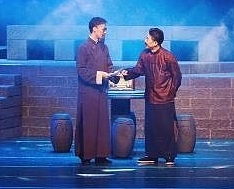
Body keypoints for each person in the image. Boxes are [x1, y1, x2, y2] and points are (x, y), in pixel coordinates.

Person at [120, 27, 182, 166]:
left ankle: (169, 156)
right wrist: (127, 73)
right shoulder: (144, 54)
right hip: (150, 97)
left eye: (147, 38)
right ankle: (152, 155)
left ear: (155, 42)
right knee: (151, 127)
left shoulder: (168, 56)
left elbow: (177, 77)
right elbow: (138, 70)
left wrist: (170, 92)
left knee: (166, 128)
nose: (145, 40)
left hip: (165, 98)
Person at [75, 16, 120, 165]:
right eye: (103, 29)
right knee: (89, 123)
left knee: (102, 124)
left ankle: (101, 155)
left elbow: (109, 65)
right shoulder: (83, 47)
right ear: (94, 29)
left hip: (101, 91)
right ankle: (86, 155)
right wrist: (100, 75)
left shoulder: (104, 47)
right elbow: (81, 71)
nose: (105, 32)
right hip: (88, 92)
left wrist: (113, 75)